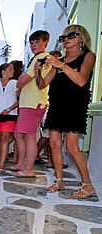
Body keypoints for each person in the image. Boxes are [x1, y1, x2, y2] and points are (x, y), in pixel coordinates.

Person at [36, 25, 97, 198]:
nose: (66, 39)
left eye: (71, 35)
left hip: (74, 106)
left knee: (71, 147)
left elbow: (81, 80)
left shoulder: (87, 56)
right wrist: (39, 73)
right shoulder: (59, 61)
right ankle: (59, 181)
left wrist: (60, 64)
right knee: (54, 144)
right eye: (63, 37)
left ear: (82, 38)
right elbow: (42, 85)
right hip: (56, 105)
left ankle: (88, 185)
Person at [10, 30, 52, 178]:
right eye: (31, 42)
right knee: (19, 134)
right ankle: (22, 164)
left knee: (28, 136)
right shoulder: (38, 58)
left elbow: (22, 80)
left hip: (33, 103)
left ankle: (28, 169)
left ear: (46, 42)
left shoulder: (41, 58)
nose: (33, 45)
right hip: (29, 102)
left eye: (37, 42)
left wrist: (20, 81)